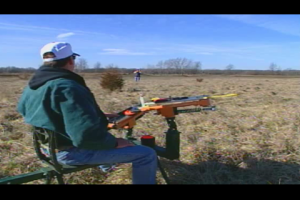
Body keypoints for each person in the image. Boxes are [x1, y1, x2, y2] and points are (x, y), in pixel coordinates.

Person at [17, 42, 157, 184]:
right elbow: (85, 136)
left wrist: (95, 115)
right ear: (71, 60)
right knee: (146, 154)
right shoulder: (67, 86)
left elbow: (28, 110)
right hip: (71, 153)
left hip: (47, 149)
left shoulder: (34, 85)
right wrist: (114, 143)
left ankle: (107, 167)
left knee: (102, 136)